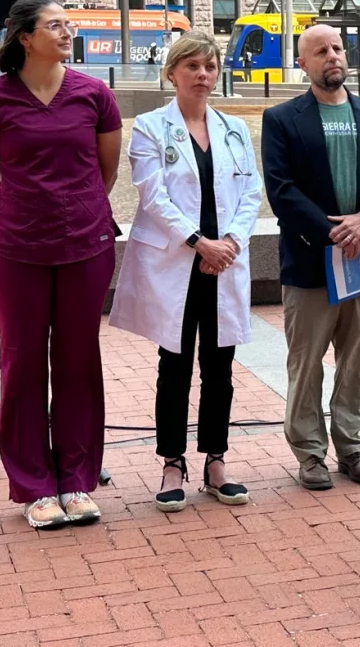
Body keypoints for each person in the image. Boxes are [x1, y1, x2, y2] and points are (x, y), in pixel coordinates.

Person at [0, 0, 122, 529]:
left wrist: (74, 210)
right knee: (22, 362)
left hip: (86, 246)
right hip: (17, 250)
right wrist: (28, 212)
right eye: (55, 25)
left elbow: (105, 173)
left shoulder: (95, 95)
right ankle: (34, 486)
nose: (67, 32)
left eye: (68, 23)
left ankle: (76, 480)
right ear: (25, 37)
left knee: (79, 360)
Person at [109, 32, 262, 512]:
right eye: (192, 66)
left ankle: (216, 462)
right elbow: (152, 196)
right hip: (178, 260)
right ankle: (172, 462)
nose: (202, 74)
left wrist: (229, 243)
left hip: (223, 263)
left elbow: (251, 193)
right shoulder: (150, 127)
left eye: (209, 66)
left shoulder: (234, 129)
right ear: (171, 73)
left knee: (220, 368)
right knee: (173, 366)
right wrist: (199, 242)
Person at [261, 24, 360, 491]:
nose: (333, 56)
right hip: (310, 261)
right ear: (302, 63)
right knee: (307, 361)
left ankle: (351, 447)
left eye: (338, 48)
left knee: (358, 358)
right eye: (321, 50)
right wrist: (332, 232)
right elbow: (281, 190)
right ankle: (309, 453)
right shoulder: (281, 119)